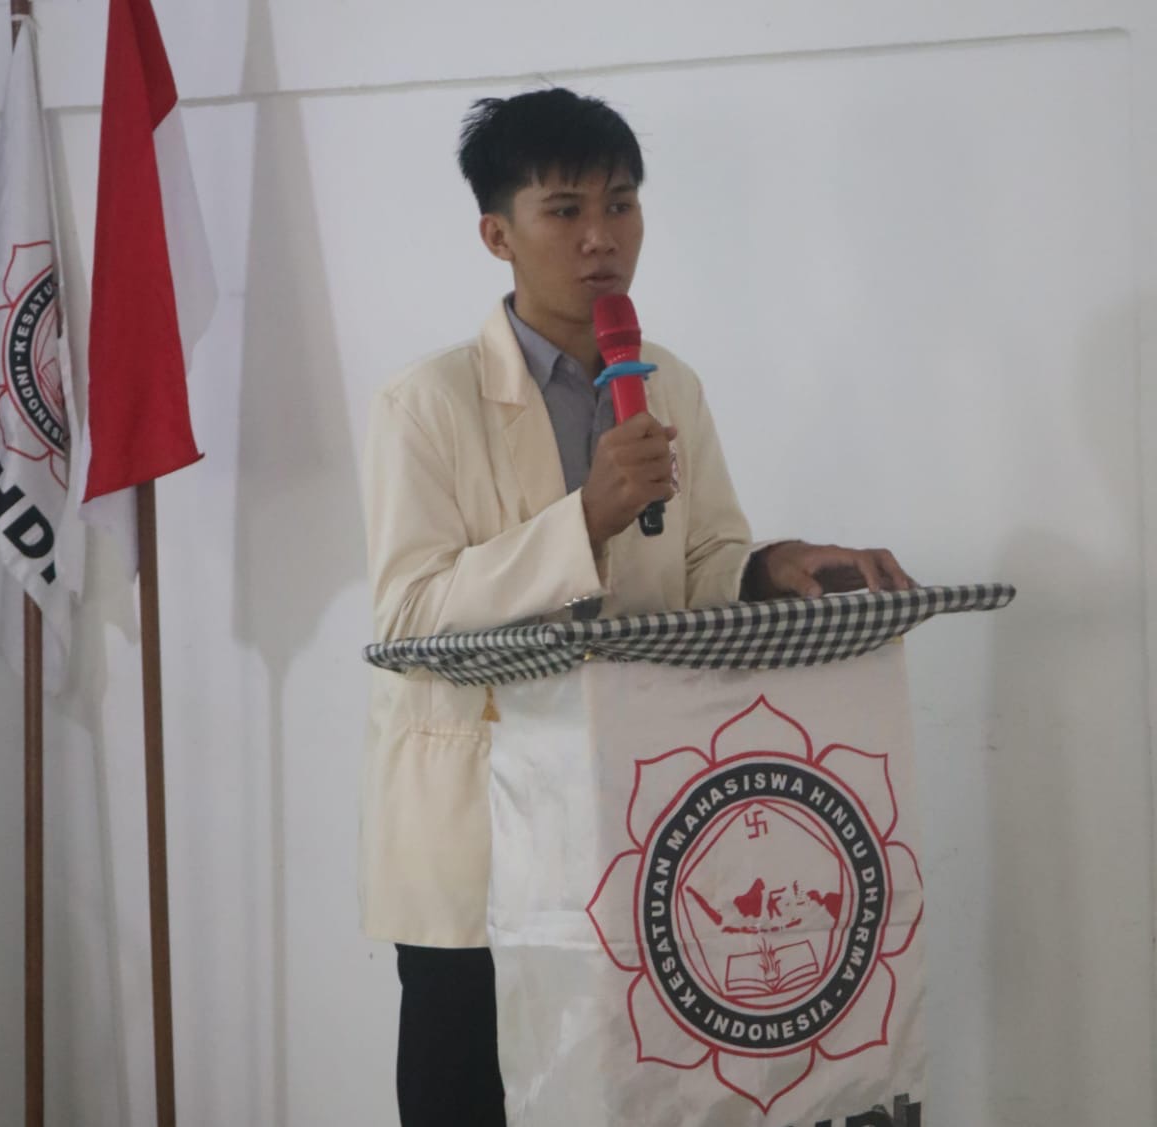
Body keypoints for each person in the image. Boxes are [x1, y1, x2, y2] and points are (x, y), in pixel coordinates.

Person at [360, 87, 912, 1127]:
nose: (600, 238)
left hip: (638, 828)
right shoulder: (426, 403)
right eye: (564, 209)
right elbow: (409, 615)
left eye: (620, 204)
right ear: (497, 235)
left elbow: (703, 567)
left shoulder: (669, 386)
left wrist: (772, 567)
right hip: (478, 850)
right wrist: (584, 519)